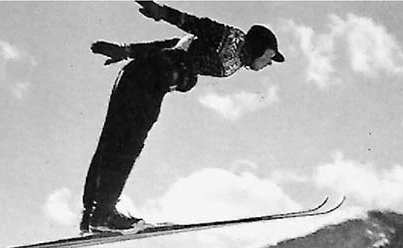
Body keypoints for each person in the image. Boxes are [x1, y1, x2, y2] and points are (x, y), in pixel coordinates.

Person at [81, 0, 284, 234]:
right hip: (148, 80)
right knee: (127, 145)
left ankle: (92, 216)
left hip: (139, 76)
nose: (269, 63)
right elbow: (196, 24)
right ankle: (103, 215)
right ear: (260, 47)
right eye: (270, 56)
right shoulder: (233, 38)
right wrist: (162, 13)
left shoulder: (235, 58)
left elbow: (171, 44)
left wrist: (127, 51)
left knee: (112, 142)